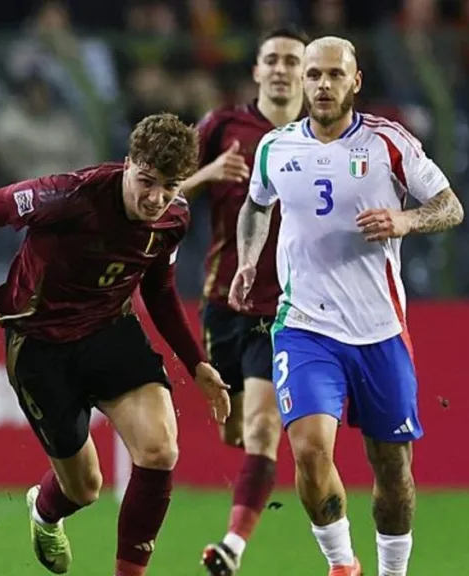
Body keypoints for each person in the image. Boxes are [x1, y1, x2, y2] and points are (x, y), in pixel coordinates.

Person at [0, 113, 231, 576]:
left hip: (110, 331)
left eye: (169, 187)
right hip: (39, 346)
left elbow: (159, 289)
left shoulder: (174, 218)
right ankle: (45, 513)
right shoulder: (68, 196)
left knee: (159, 451)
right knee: (84, 487)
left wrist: (196, 363)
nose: (155, 199)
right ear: (129, 162)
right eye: (146, 181)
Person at [228, 37, 464, 576]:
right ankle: (341, 564)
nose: (322, 85)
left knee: (393, 470)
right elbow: (256, 205)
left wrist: (405, 221)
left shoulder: (389, 143)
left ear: (355, 81)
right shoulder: (277, 148)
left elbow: (450, 205)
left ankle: (392, 572)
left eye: (335, 75)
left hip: (379, 329)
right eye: (314, 75)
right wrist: (247, 261)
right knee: (309, 451)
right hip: (305, 327)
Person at [184, 27, 309, 576]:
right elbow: (155, 186)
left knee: (261, 430)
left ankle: (232, 545)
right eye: (272, 60)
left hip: (284, 310)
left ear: (307, 73)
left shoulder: (320, 137)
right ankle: (249, 494)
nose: (281, 69)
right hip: (222, 303)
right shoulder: (222, 127)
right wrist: (208, 174)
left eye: (292, 61)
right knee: (234, 431)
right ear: (256, 71)